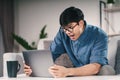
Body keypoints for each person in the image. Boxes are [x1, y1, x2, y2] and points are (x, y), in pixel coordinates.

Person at [24, 6, 115, 78]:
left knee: (106, 70)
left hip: (96, 70)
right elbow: (51, 56)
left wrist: (68, 72)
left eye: (70, 27)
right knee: (60, 61)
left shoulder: (99, 35)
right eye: (64, 29)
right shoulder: (62, 33)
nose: (68, 32)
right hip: (73, 69)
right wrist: (33, 68)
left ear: (81, 23)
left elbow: (95, 67)